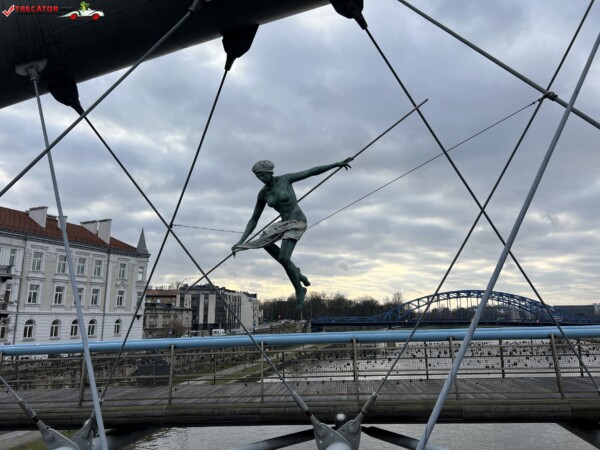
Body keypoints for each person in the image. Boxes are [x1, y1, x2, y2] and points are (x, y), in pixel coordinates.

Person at [232, 158, 352, 308]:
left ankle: (299, 289)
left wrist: (335, 164)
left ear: (270, 172)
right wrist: (241, 241)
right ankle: (297, 273)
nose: (260, 179)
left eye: (262, 175)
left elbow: (311, 172)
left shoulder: (285, 179)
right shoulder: (263, 194)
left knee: (284, 257)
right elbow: (254, 219)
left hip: (297, 221)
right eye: (258, 176)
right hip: (283, 223)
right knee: (264, 241)